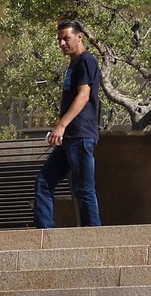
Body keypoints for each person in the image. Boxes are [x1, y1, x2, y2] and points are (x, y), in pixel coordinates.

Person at [33, 18, 102, 227]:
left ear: (79, 36)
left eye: (66, 38)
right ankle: (45, 233)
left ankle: (94, 237)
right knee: (43, 182)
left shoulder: (86, 60)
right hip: (69, 138)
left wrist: (61, 125)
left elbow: (83, 96)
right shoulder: (73, 63)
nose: (62, 43)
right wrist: (62, 129)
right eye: (59, 40)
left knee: (83, 189)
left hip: (81, 135)